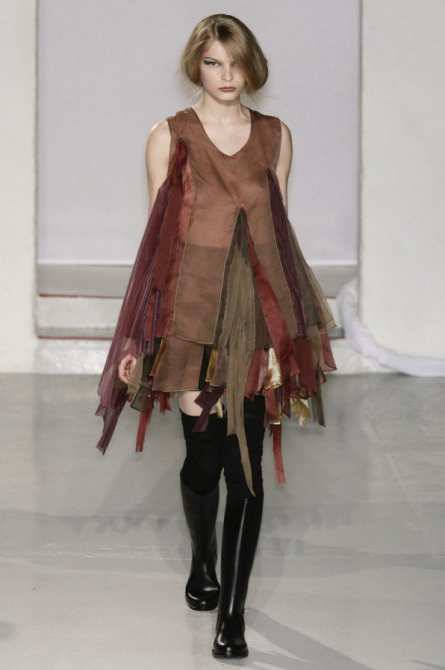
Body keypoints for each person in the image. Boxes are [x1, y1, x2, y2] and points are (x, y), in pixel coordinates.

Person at [94, 13, 338, 659]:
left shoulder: (275, 136)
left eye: (235, 63)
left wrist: (288, 334)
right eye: (213, 63)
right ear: (195, 66)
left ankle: (231, 615)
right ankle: (201, 555)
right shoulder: (169, 136)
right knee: (203, 460)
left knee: (245, 464)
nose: (226, 76)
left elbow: (279, 233)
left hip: (255, 314)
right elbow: (157, 243)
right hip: (191, 316)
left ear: (251, 66)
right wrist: (140, 340)